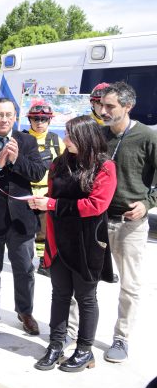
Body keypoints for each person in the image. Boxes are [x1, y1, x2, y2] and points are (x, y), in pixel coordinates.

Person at [30, 116, 116, 372]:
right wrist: (40, 200)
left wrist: (53, 205)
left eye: (70, 135)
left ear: (85, 137)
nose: (65, 139)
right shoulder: (59, 163)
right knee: (59, 295)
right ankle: (56, 344)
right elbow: (53, 193)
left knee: (86, 298)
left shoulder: (105, 166)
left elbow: (96, 205)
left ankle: (84, 350)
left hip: (87, 241)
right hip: (59, 240)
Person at [0, 98, 46, 338]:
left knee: (24, 269)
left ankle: (25, 312)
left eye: (9, 115)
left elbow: (37, 174)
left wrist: (16, 159)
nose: (4, 119)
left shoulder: (27, 140)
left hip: (20, 219)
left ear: (16, 117)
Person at [98, 82, 157, 363]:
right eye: (101, 105)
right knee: (84, 280)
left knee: (130, 285)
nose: (103, 111)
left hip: (129, 224)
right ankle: (73, 332)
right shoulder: (98, 136)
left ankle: (121, 339)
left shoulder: (147, 137)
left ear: (128, 106)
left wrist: (147, 204)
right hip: (96, 221)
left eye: (110, 106)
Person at [23, 100, 64, 277]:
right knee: (23, 232)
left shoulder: (56, 140)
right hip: (24, 193)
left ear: (49, 121)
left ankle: (43, 263)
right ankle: (24, 262)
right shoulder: (20, 137)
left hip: (46, 193)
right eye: (36, 118)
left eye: (44, 119)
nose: (40, 122)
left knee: (44, 232)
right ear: (30, 120)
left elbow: (64, 165)